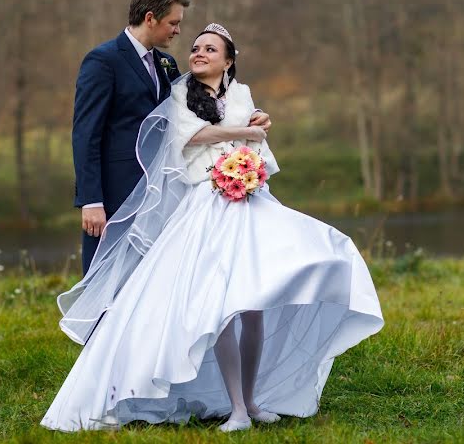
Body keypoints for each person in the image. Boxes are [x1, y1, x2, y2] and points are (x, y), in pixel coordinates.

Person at [43, 23, 384, 433]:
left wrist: (250, 163)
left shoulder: (242, 95)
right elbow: (190, 137)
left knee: (253, 303)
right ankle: (236, 409)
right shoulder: (179, 93)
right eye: (195, 47)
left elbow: (260, 149)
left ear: (228, 59)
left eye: (209, 49)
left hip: (250, 201)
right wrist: (244, 135)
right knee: (219, 306)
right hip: (206, 202)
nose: (198, 53)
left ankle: (252, 400)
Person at [72, 0, 271, 274]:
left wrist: (251, 114)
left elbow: (199, 101)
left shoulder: (165, 63)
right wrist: (91, 200)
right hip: (115, 192)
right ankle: (96, 324)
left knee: (149, 280)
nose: (178, 30)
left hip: (161, 191)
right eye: (173, 23)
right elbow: (86, 133)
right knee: (104, 274)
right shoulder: (103, 61)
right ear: (150, 19)